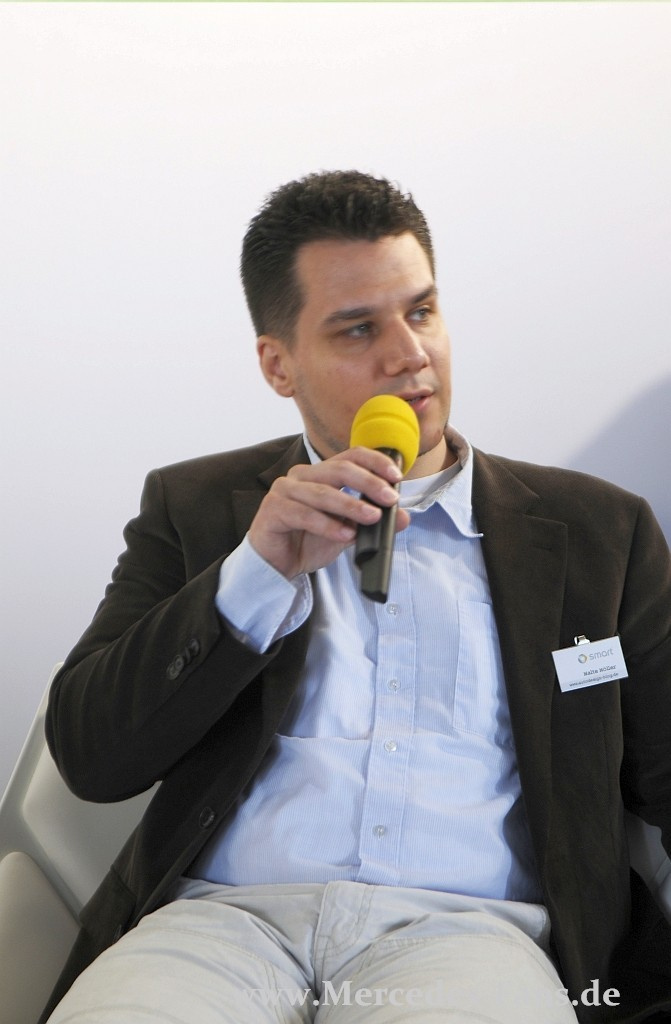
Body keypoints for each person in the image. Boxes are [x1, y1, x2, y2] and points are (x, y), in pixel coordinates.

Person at [41, 170, 671, 1023]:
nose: (409, 354)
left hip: (469, 935)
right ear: (278, 364)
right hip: (218, 927)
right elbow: (91, 757)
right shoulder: (196, 507)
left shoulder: (599, 530)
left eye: (421, 311)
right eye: (358, 328)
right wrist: (255, 572)